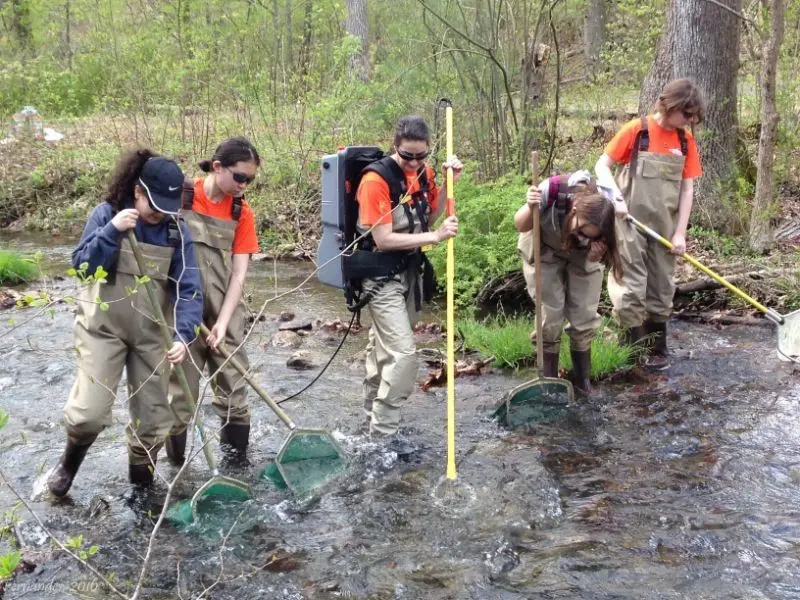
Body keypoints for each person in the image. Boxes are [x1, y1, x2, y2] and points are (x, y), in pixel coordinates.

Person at [48, 151, 203, 497]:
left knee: (152, 424)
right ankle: (67, 466)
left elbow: (190, 289)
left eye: (168, 206)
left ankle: (142, 497)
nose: (160, 213)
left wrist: (183, 335)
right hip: (102, 330)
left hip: (152, 337)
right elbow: (82, 267)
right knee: (88, 414)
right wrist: (112, 232)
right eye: (154, 204)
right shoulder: (107, 215)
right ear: (137, 191)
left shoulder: (177, 232)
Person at [355, 115, 462, 440]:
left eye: (421, 156)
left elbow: (428, 216)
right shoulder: (375, 181)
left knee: (383, 351)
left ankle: (369, 418)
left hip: (410, 272)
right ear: (395, 146)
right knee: (403, 355)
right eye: (408, 156)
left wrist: (447, 184)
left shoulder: (424, 173)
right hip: (379, 276)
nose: (415, 163)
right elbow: (384, 239)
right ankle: (382, 436)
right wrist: (436, 238)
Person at [595, 78, 704, 370]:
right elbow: (601, 166)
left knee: (662, 287)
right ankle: (632, 354)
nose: (691, 121)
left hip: (664, 228)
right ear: (670, 106)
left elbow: (687, 189)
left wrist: (680, 233)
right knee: (631, 287)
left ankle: (658, 353)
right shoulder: (637, 131)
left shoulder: (684, 140)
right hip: (628, 222)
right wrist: (614, 196)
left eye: (694, 116)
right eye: (687, 114)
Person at [164, 137, 261, 465]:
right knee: (180, 396)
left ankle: (237, 470)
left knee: (235, 391)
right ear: (217, 167)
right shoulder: (180, 197)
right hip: (181, 311)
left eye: (250, 180)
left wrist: (222, 322)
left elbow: (238, 275)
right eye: (240, 177)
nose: (243, 185)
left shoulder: (241, 211)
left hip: (225, 311)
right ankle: (178, 475)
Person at [514, 171, 623, 395]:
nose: (584, 235)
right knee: (550, 314)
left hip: (583, 256)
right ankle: (549, 383)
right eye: (581, 230)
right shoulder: (550, 192)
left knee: (584, 313)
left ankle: (582, 382)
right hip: (544, 247)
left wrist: (594, 254)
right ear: (573, 210)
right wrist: (529, 205)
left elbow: (607, 257)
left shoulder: (604, 213)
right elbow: (520, 225)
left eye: (591, 235)